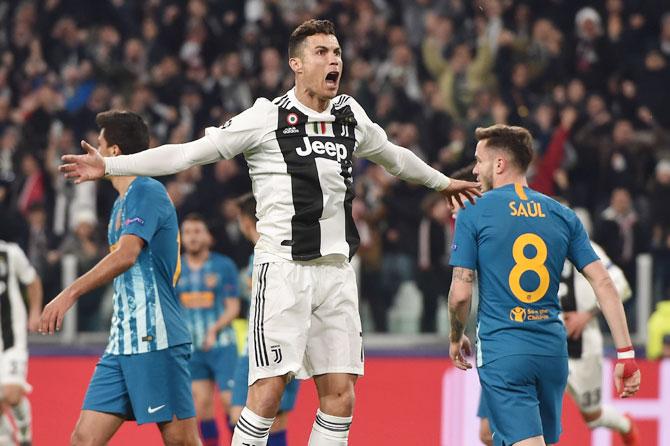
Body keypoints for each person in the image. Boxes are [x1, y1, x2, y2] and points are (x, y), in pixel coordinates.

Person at [58, 19, 481, 446]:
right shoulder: (267, 117)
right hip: (283, 270)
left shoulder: (350, 114)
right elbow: (186, 155)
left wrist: (442, 183)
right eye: (322, 52)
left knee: (340, 396)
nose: (334, 59)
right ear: (296, 64)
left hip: (337, 273)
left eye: (337, 52)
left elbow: (394, 156)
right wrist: (112, 165)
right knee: (268, 392)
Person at [448, 124, 640, 446]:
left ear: (499, 164)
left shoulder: (474, 212)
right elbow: (604, 282)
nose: (476, 170)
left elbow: (461, 292)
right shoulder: (562, 215)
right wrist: (626, 354)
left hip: (504, 349)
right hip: (552, 352)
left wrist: (456, 337)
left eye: (479, 161)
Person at [39, 111, 200, 446]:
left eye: (97, 145)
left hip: (156, 337)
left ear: (112, 152)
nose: (90, 154)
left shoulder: (147, 190)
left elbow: (127, 255)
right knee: (83, 439)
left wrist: (70, 292)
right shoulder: (120, 204)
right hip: (122, 342)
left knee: (182, 442)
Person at [477, 239, 640, 445]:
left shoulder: (578, 242)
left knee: (593, 416)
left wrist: (586, 315)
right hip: (531, 345)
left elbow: (619, 285)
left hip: (579, 347)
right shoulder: (519, 239)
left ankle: (625, 425)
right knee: (493, 431)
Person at [231, 193, 299, 445]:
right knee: (261, 418)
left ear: (245, 221)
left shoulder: (269, 254)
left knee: (253, 418)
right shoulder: (276, 252)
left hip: (267, 346)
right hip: (273, 346)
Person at [177, 213, 241, 446]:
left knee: (229, 402)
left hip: (223, 345)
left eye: (197, 231)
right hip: (192, 349)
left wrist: (214, 329)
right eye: (187, 232)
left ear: (208, 236)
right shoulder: (175, 268)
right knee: (202, 404)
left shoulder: (223, 266)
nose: (192, 237)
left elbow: (233, 307)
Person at [0, 236, 42, 446]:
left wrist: (35, 311)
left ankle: (25, 433)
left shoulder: (9, 252)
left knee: (12, 394)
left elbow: (32, 280)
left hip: (12, 339)